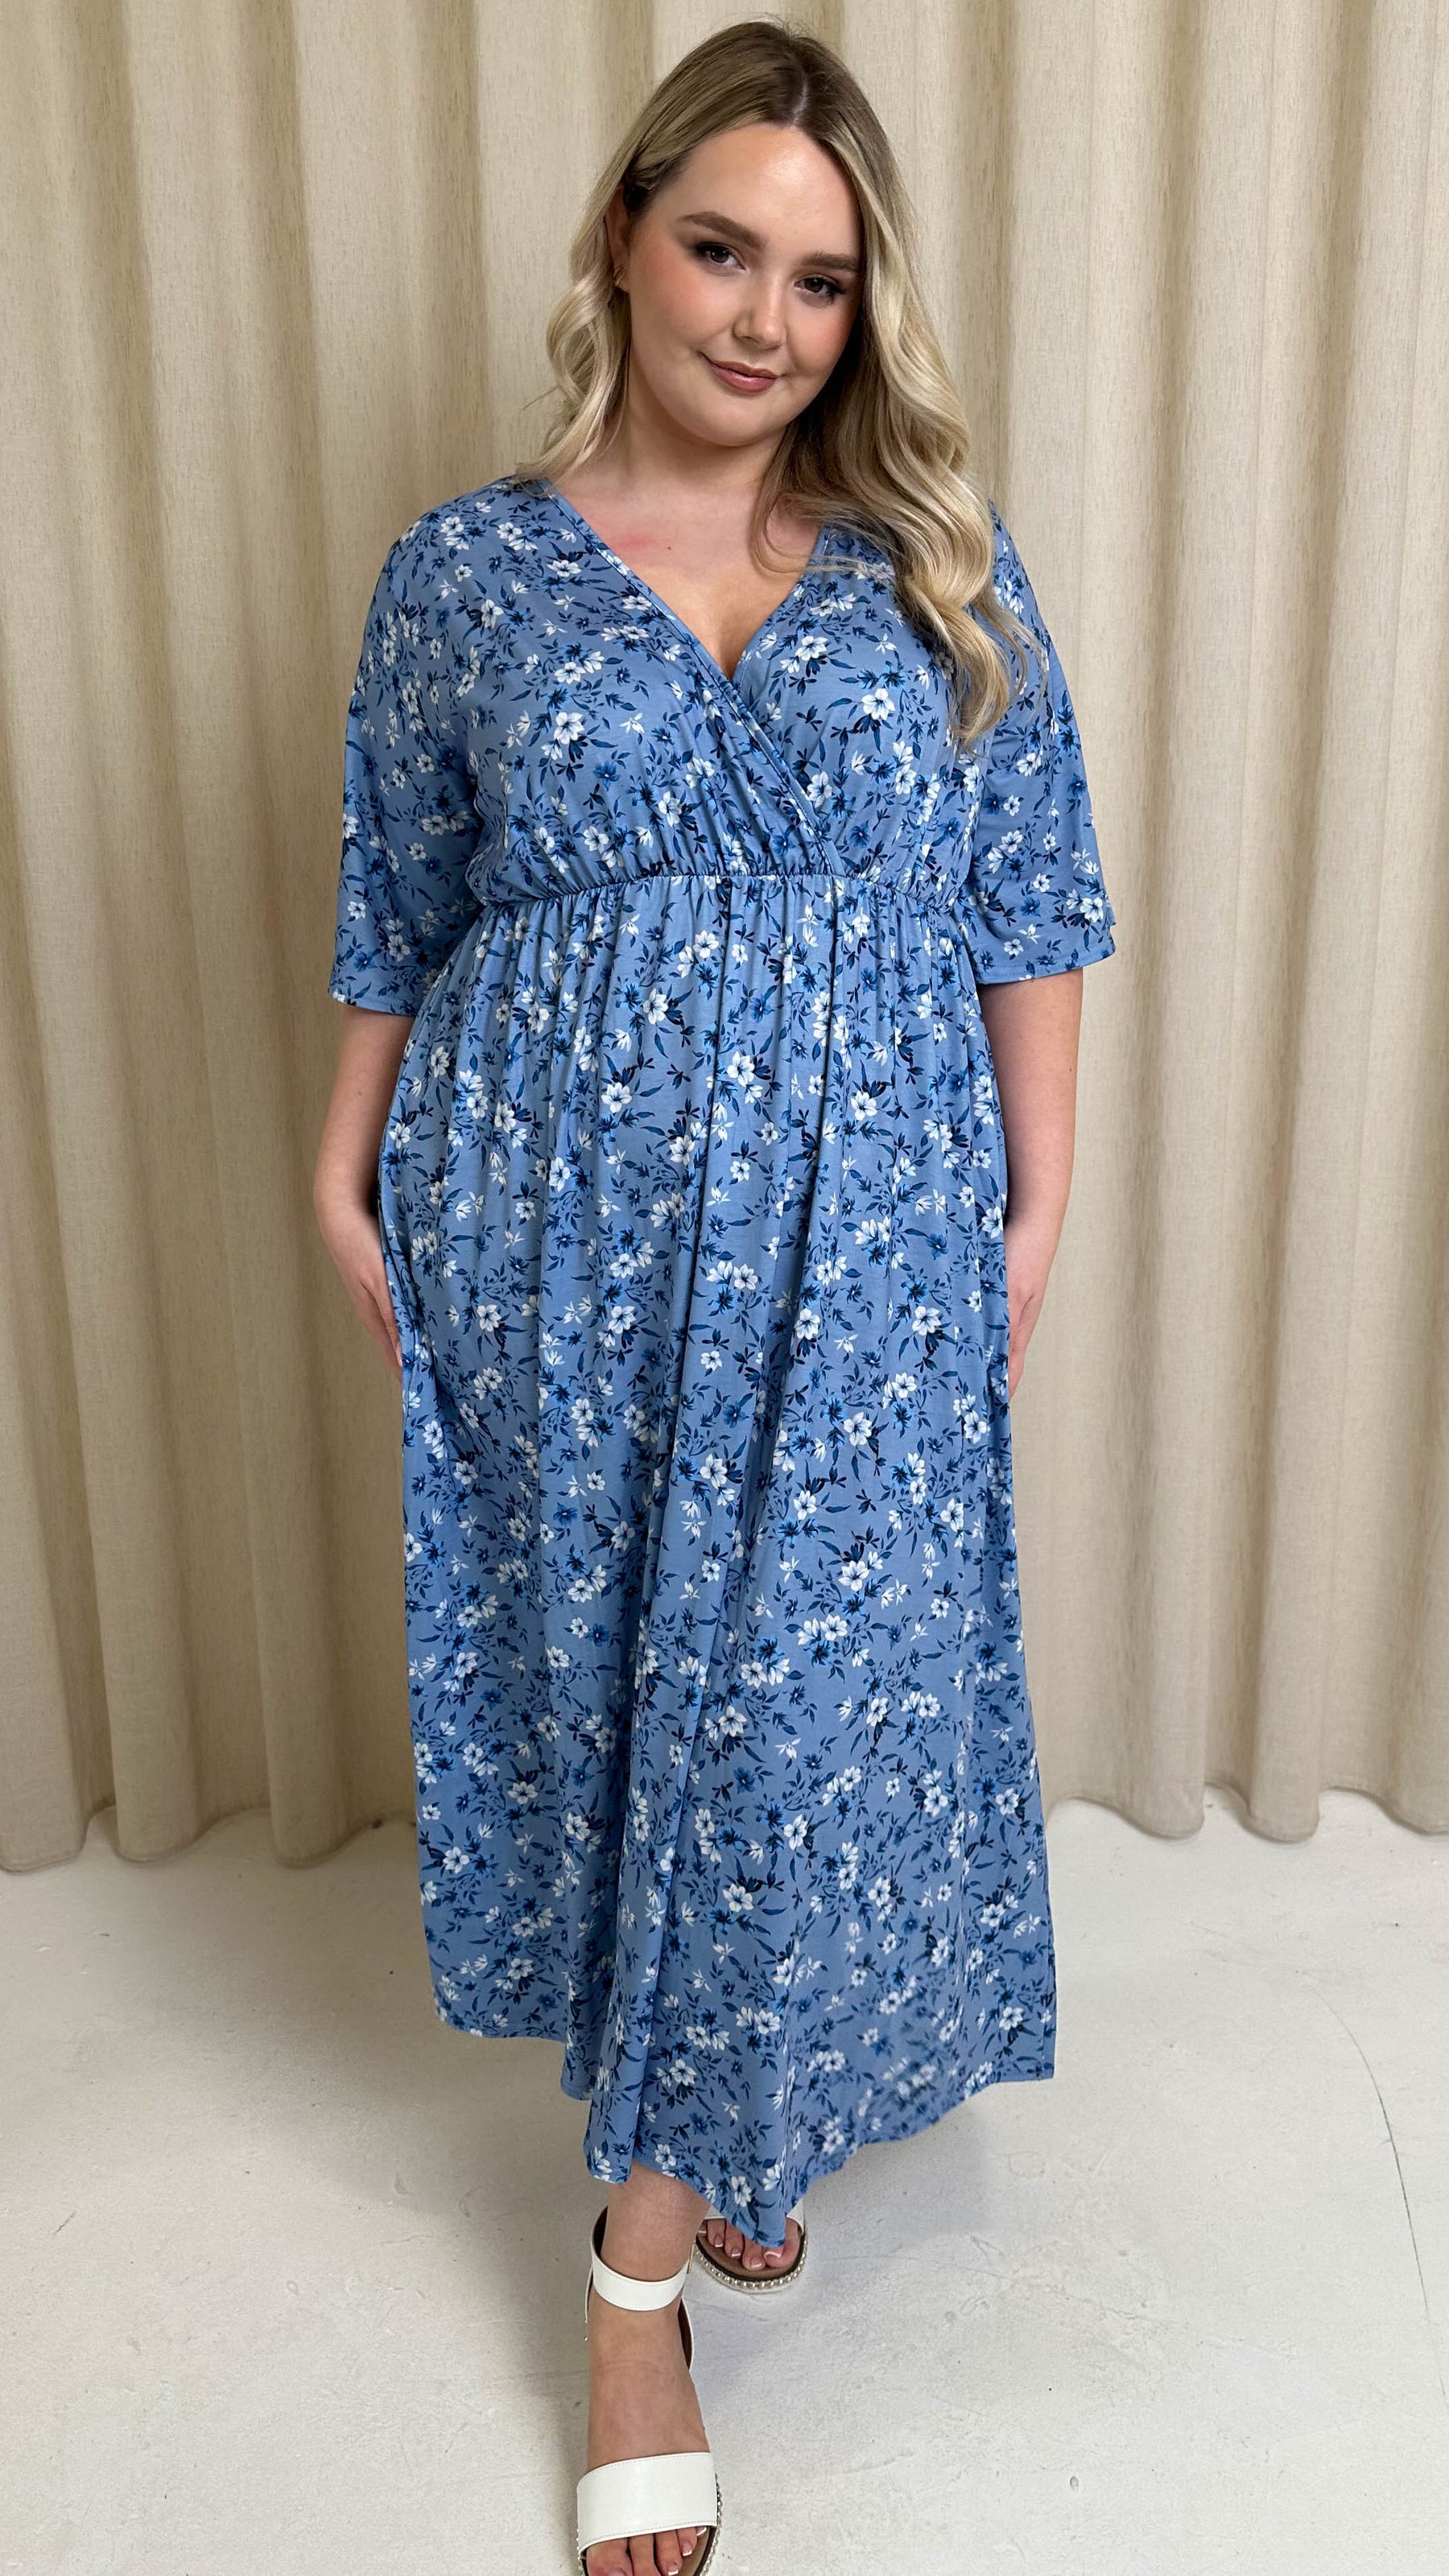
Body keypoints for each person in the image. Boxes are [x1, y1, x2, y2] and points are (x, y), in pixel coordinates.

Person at [313, 20, 1117, 2574]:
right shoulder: (465, 576)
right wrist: (338, 1161)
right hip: (552, 1222)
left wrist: (1038, 1200)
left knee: (784, 1705)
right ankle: (722, 2117)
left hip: (869, 1221)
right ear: (623, 242)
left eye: (823, 280)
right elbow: (397, 890)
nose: (767, 320)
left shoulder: (926, 564)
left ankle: (631, 2278)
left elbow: (1028, 885)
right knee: (629, 1691)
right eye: (721, 251)